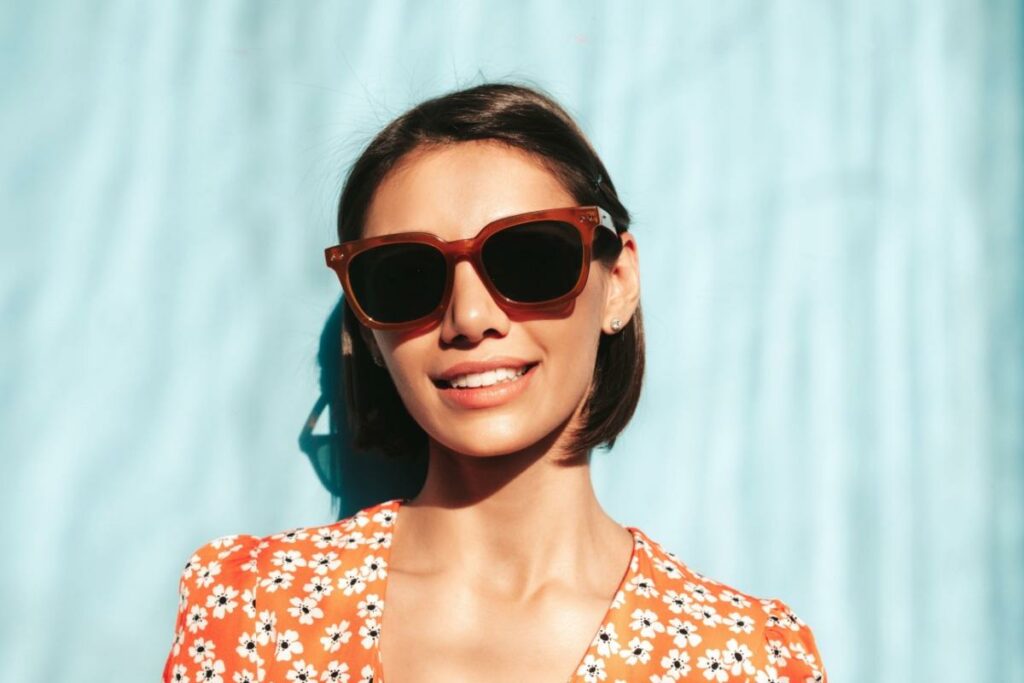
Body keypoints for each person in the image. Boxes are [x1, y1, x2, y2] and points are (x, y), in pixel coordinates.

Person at [162, 82, 828, 683]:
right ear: (367, 327)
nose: (469, 318)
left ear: (618, 283)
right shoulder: (254, 611)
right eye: (403, 276)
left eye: (531, 257)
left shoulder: (747, 658)